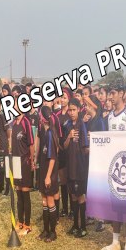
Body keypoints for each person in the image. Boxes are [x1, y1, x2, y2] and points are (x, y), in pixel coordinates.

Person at [101, 82, 126, 250]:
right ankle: (115, 241)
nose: (110, 96)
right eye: (109, 93)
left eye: (113, 93)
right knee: (115, 207)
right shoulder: (110, 117)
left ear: (122, 94)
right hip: (115, 166)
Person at [63, 98, 90, 238]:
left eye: (74, 110)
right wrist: (69, 137)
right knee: (73, 196)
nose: (71, 112)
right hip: (70, 167)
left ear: (79, 110)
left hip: (80, 168)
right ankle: (75, 225)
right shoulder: (67, 125)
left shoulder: (82, 125)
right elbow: (64, 146)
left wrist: (91, 146)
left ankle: (83, 226)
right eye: (70, 110)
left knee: (80, 197)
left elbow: (86, 148)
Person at [11, 104, 35, 236]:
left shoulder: (26, 122)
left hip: (24, 161)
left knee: (25, 193)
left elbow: (31, 144)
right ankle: (20, 221)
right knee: (18, 193)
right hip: (15, 162)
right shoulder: (14, 123)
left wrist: (32, 160)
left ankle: (27, 224)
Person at [38, 105, 60, 242]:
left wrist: (47, 176)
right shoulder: (44, 132)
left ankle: (53, 232)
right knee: (44, 201)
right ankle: (45, 230)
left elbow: (52, 157)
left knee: (50, 201)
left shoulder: (51, 134)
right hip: (43, 170)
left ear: (42, 118)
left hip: (49, 173)